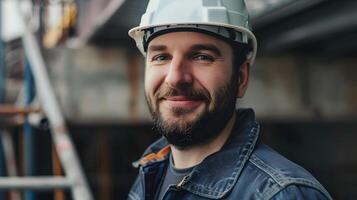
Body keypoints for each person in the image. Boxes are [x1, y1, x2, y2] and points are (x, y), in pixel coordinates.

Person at [127, 0, 332, 199]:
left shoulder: (283, 195)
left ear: (241, 77)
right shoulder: (149, 172)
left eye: (202, 56)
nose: (176, 77)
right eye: (161, 57)